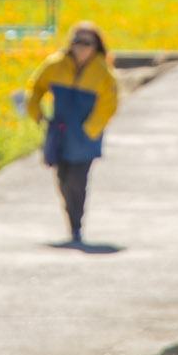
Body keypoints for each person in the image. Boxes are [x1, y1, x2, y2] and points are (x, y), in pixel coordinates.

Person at [26, 21, 120, 244]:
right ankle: (73, 222)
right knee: (62, 179)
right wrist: (38, 115)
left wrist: (90, 129)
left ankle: (76, 226)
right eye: (77, 41)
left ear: (96, 46)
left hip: (85, 138)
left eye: (87, 42)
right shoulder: (55, 65)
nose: (81, 47)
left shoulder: (103, 73)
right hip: (59, 134)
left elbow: (110, 104)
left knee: (77, 181)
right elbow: (36, 88)